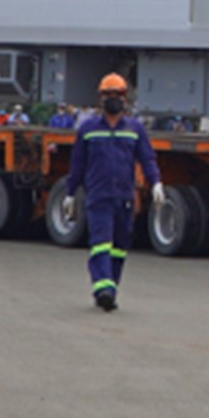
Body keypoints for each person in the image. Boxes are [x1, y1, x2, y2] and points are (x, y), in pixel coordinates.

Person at [60, 74, 164, 312]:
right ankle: (102, 288)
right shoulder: (88, 130)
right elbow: (77, 165)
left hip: (124, 198)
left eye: (117, 95)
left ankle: (110, 289)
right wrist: (70, 193)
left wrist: (155, 182)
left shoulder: (134, 129)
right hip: (98, 197)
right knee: (100, 244)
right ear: (100, 98)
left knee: (118, 247)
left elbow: (147, 158)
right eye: (109, 95)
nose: (113, 99)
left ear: (125, 98)